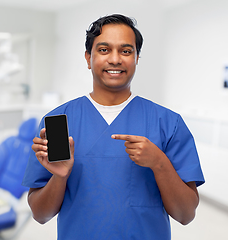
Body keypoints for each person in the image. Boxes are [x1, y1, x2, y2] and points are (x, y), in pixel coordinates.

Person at [22, 14, 205, 240]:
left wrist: (159, 163)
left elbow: (185, 215)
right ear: (88, 58)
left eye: (126, 51)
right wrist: (60, 177)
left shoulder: (167, 123)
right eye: (104, 50)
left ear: (137, 58)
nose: (115, 59)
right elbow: (40, 214)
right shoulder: (59, 122)